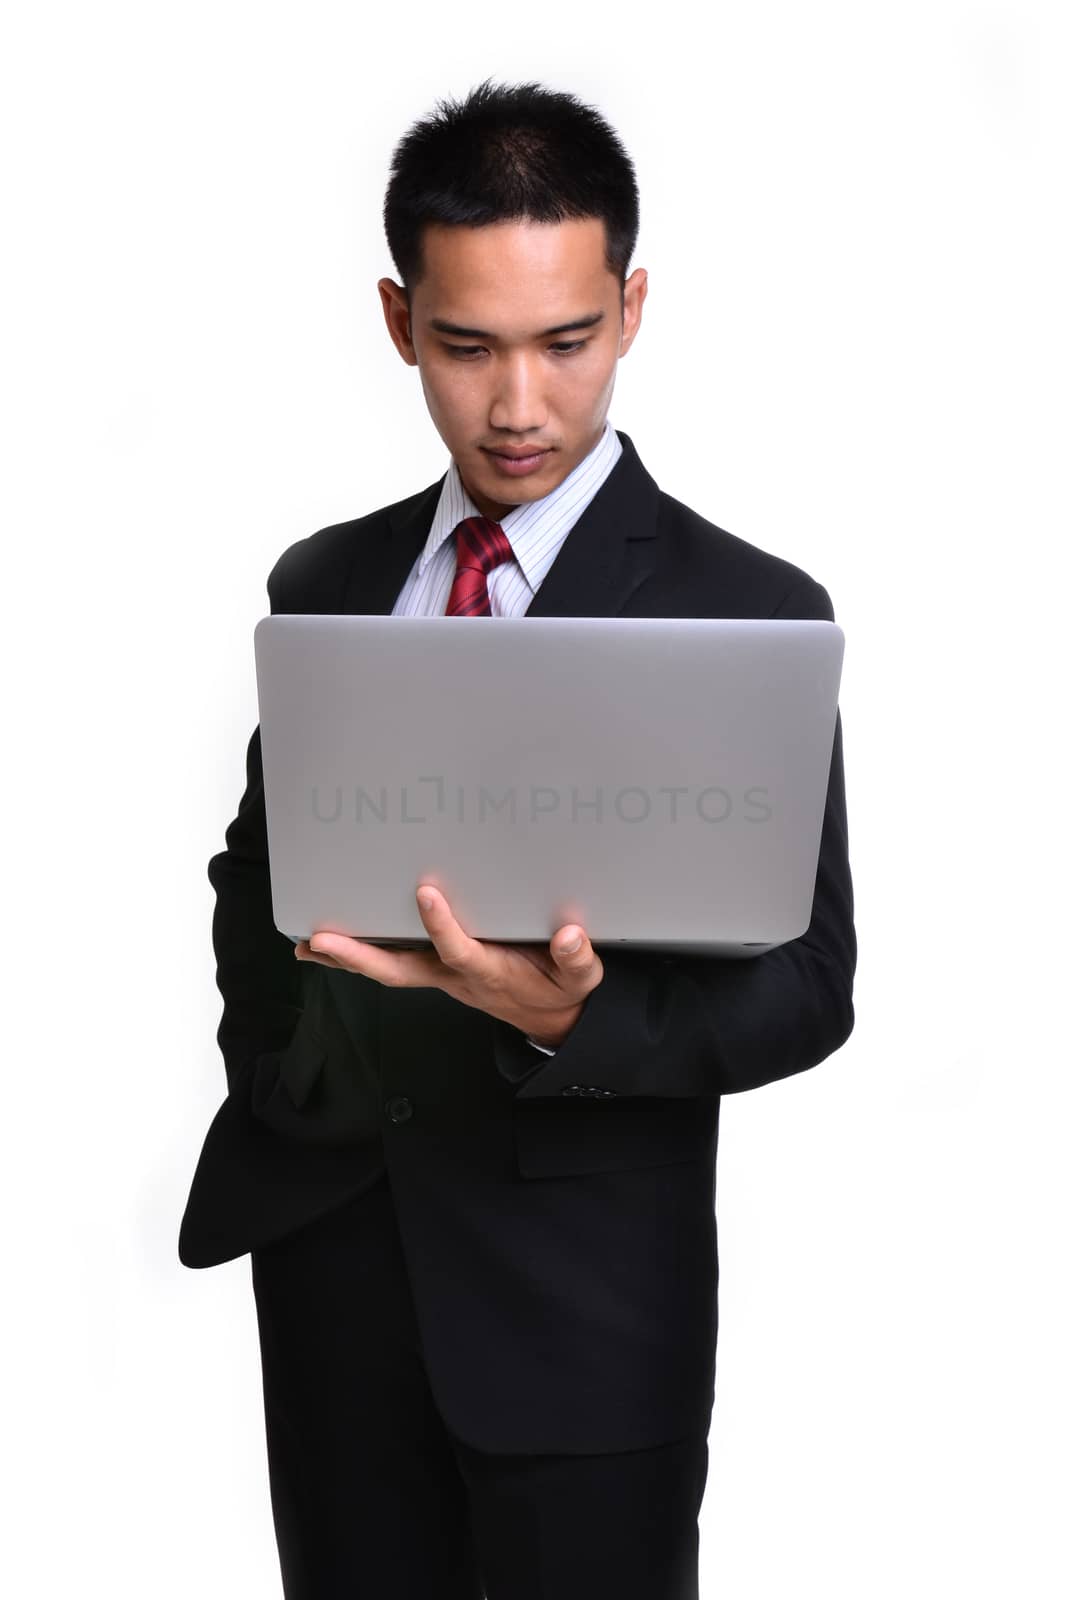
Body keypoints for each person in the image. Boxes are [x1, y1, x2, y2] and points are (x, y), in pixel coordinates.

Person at [178, 76, 857, 1600]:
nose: (517, 405)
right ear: (399, 319)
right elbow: (255, 869)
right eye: (468, 345)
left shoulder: (745, 614)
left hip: (582, 1317)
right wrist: (284, 1064)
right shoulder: (330, 576)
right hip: (339, 1274)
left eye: (565, 342)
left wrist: (578, 1022)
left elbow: (812, 984)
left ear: (629, 309)